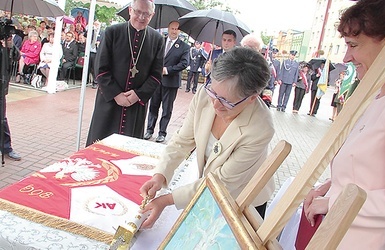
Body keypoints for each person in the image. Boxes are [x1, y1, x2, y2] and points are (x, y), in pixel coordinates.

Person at [139, 47, 275, 228]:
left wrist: (167, 200)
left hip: (243, 201)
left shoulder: (261, 128)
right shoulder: (205, 95)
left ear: (252, 98)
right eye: (214, 92)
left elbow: (222, 182)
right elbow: (182, 141)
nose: (216, 105)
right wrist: (160, 174)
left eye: (227, 101)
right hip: (208, 189)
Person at [303, 0, 385, 248]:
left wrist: (333, 200)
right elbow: (367, 174)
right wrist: (327, 187)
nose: (346, 57)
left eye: (353, 45)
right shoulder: (376, 97)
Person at [86, 0, 164, 146]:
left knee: (128, 150)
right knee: (100, 148)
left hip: (135, 104)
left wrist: (138, 94)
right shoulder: (112, 32)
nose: (141, 17)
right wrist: (116, 94)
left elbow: (156, 75)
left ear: (151, 15)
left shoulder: (157, 39)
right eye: (138, 12)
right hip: (109, 101)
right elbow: (100, 68)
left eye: (146, 14)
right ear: (130, 10)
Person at [143, 21, 190, 143]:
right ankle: (149, 130)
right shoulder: (160, 41)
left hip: (171, 82)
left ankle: (162, 133)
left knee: (166, 109)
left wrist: (168, 70)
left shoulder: (184, 47)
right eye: (172, 28)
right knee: (153, 106)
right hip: (156, 80)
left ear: (179, 31)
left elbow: (184, 63)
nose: (174, 31)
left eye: (177, 29)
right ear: (168, 29)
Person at [0, 38, 22, 161]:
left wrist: (9, 44)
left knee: (1, 119)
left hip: (1, 87)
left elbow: (16, 56)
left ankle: (6, 148)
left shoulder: (6, 45)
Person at [89, 20, 103, 89]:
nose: (96, 25)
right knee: (89, 66)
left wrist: (99, 43)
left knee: (94, 67)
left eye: (97, 24)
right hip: (89, 50)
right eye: (95, 24)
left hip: (96, 51)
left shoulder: (103, 32)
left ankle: (95, 82)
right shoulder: (90, 31)